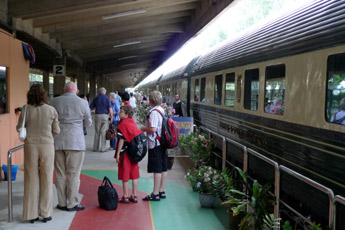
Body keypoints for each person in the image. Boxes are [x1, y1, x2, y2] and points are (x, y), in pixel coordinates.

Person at [16, 84, 60, 223]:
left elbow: (19, 127)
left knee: (31, 179)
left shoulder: (26, 109)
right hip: (47, 146)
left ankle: (31, 214)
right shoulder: (51, 110)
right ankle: (45, 213)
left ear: (30, 95)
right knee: (46, 178)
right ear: (44, 95)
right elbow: (56, 130)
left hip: (30, 146)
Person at [50, 82, 92, 212]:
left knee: (59, 173)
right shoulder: (83, 102)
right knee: (74, 174)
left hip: (57, 141)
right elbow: (88, 122)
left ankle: (61, 202)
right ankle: (72, 203)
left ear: (64, 89)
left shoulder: (53, 101)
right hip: (76, 141)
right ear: (76, 91)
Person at [140, 91, 167, 201]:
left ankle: (155, 193)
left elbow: (154, 129)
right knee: (163, 167)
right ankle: (162, 190)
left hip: (156, 143)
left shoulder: (154, 112)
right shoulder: (161, 110)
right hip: (163, 142)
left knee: (157, 169)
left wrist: (143, 129)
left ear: (150, 101)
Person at [115, 105, 141, 203]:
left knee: (125, 175)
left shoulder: (123, 125)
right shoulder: (132, 122)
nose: (119, 113)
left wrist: (117, 153)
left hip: (125, 153)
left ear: (126, 114)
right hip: (134, 152)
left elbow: (121, 140)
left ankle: (125, 196)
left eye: (121, 111)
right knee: (134, 175)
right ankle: (134, 196)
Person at [90, 87, 113, 152]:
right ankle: (103, 148)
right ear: (104, 92)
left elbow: (91, 107)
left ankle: (95, 148)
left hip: (97, 116)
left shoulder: (96, 98)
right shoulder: (107, 98)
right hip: (105, 116)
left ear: (99, 92)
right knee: (103, 132)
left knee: (97, 132)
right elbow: (110, 109)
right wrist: (111, 117)